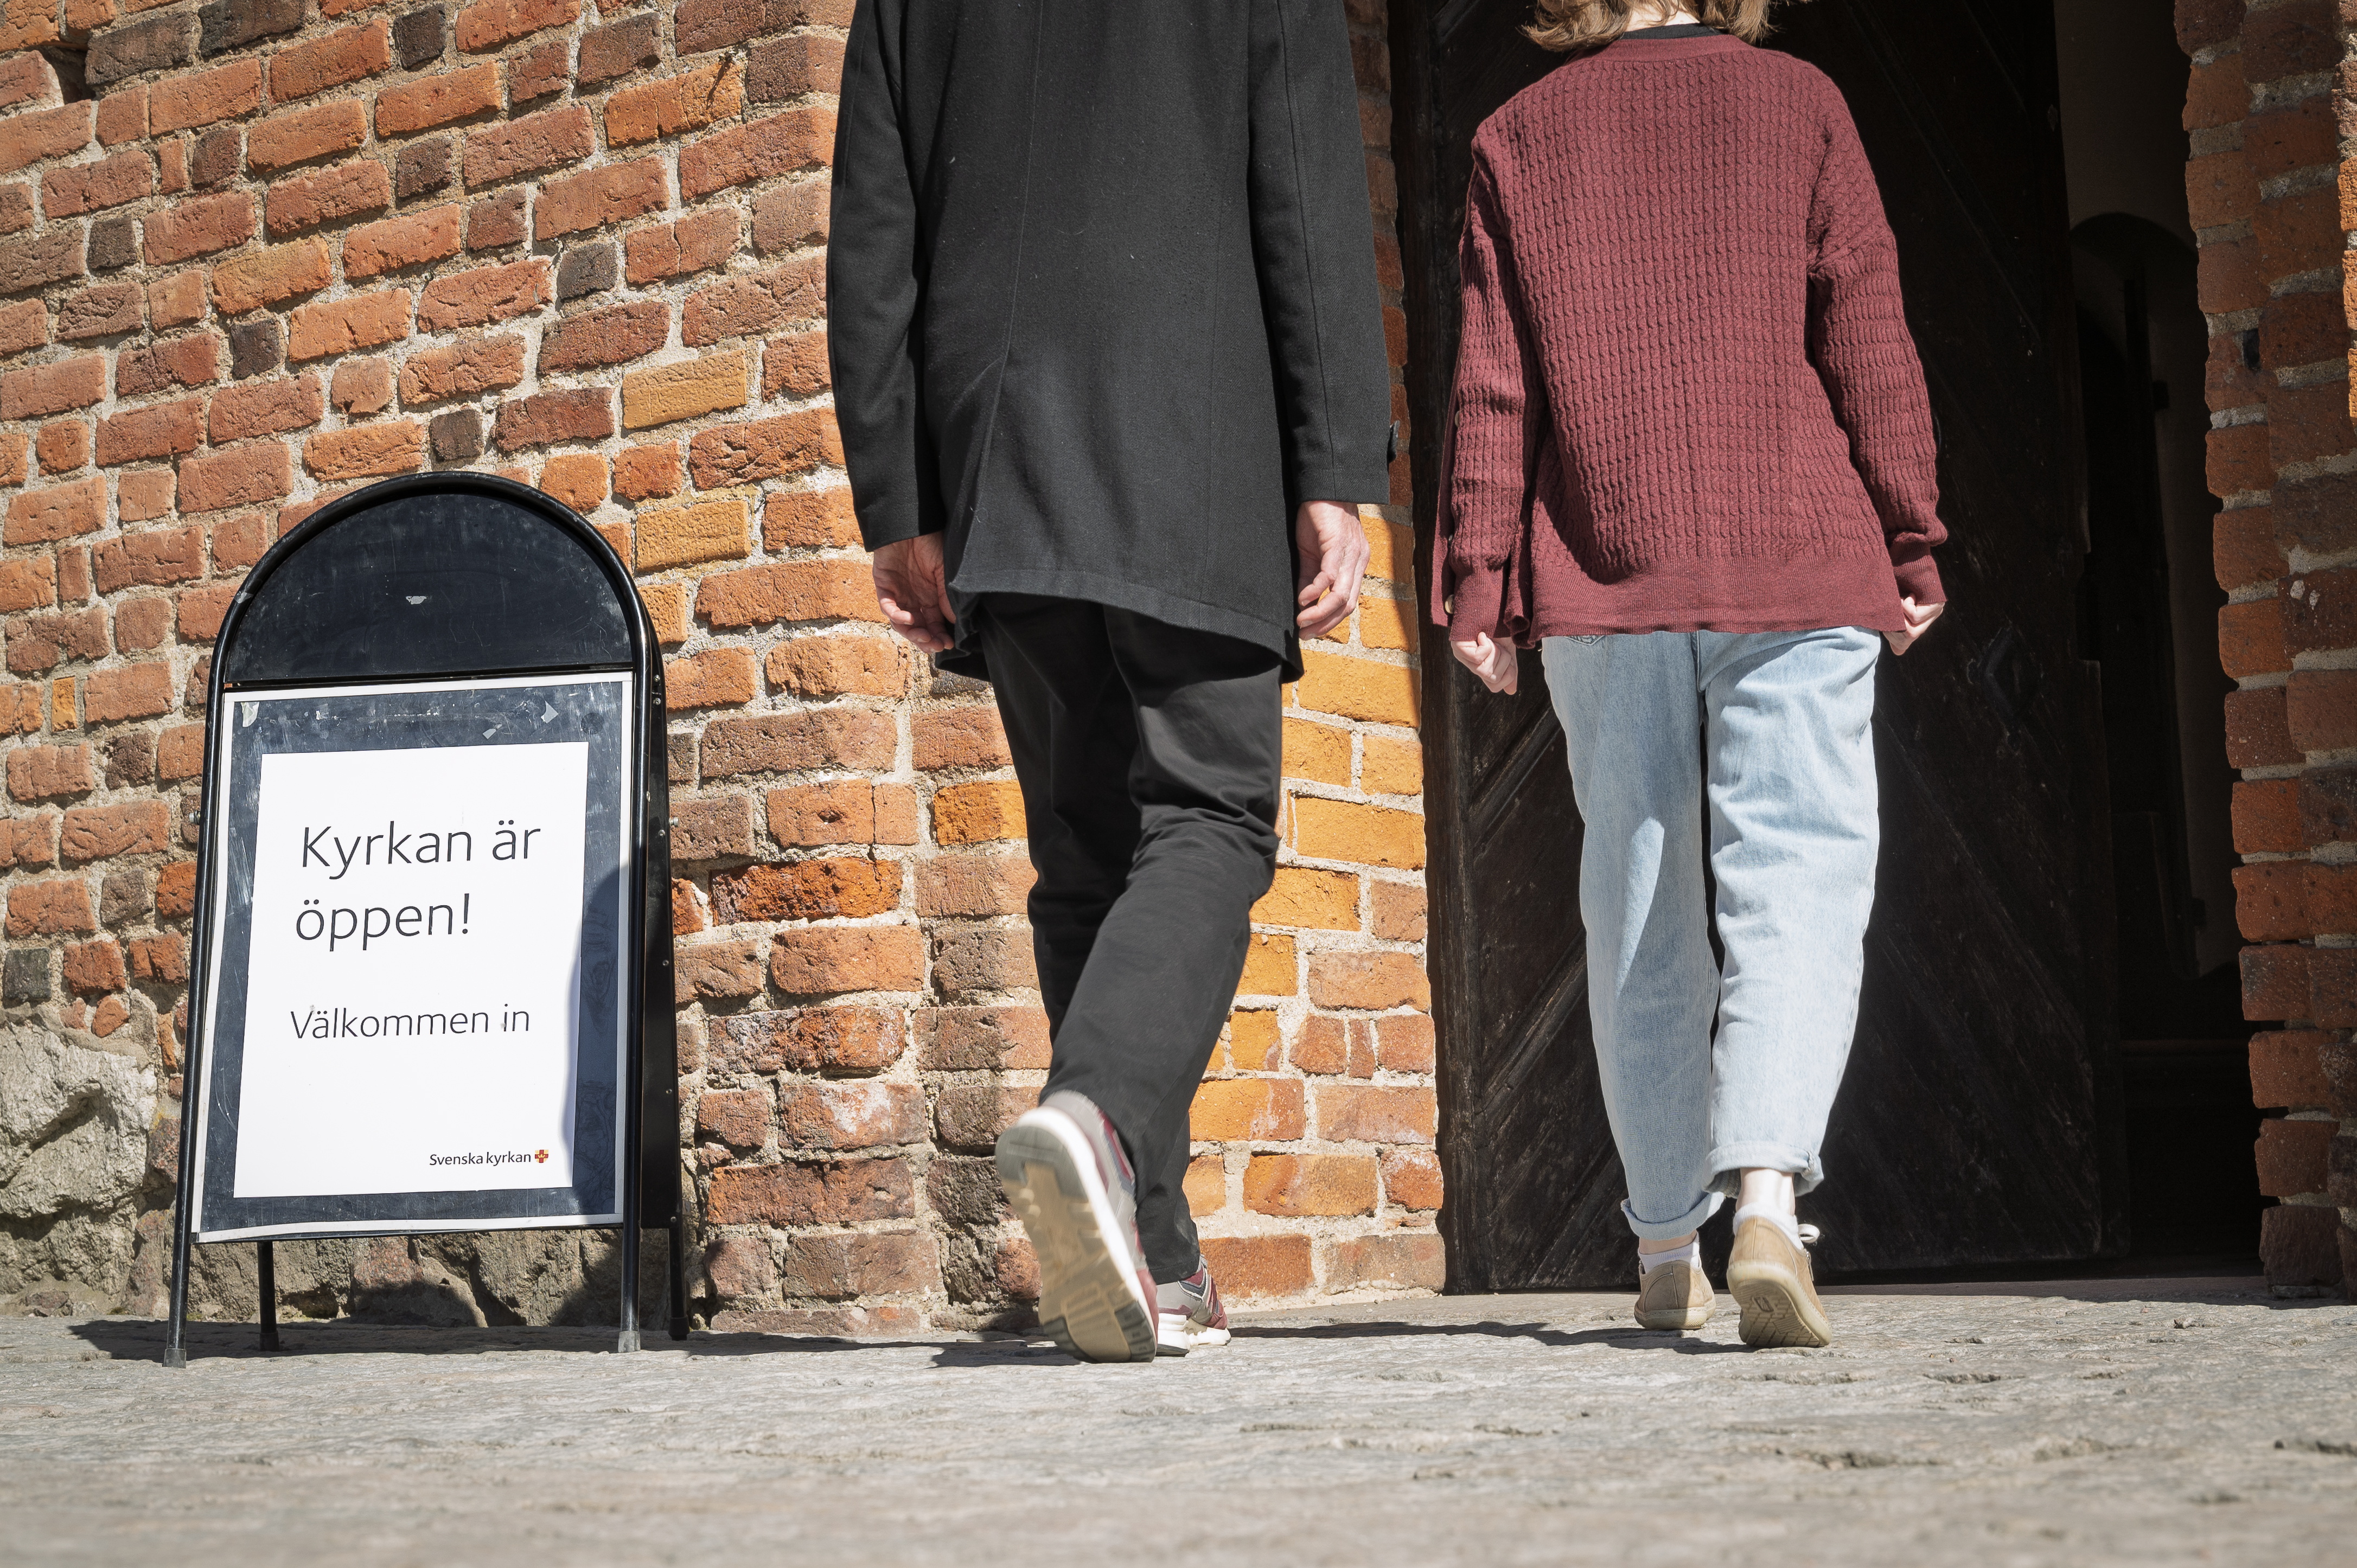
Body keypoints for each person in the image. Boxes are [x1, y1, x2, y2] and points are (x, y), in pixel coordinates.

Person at [828, 0, 1394, 1362]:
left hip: (997, 443)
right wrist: (1332, 466)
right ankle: (1093, 1114)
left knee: (1085, 854)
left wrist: (898, 497)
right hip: (1193, 432)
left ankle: (1160, 1256)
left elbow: (873, 227)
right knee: (1210, 816)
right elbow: (1308, 192)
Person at [1434, 0, 1947, 1348]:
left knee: (1637, 895)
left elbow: (1493, 382)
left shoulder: (1517, 134)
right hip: (1798, 552)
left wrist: (1478, 573)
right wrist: (1909, 530)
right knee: (1798, 874)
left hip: (1606, 568)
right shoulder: (1803, 101)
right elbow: (1868, 332)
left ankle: (1667, 1244)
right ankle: (1768, 1198)